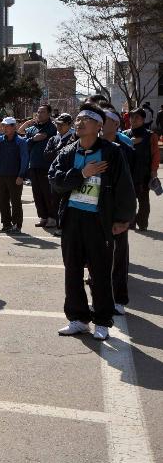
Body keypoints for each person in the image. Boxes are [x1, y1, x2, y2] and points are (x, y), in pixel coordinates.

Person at [49, 103, 136, 341]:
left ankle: (102, 320)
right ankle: (77, 318)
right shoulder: (68, 152)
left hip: (99, 221)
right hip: (72, 219)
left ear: (99, 125)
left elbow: (125, 189)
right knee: (72, 270)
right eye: (78, 118)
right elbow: (55, 181)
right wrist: (82, 174)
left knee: (99, 271)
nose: (79, 122)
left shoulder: (112, 152)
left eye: (86, 118)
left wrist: (123, 219)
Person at [101, 105, 135, 315]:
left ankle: (119, 298)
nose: (100, 123)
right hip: (95, 209)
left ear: (116, 123)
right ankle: (100, 297)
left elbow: (130, 186)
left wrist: (125, 217)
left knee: (119, 255)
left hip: (116, 211)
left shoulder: (125, 148)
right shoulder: (89, 145)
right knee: (96, 256)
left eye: (105, 119)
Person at [0, 117, 29, 233]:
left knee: (15, 202)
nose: (5, 128)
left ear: (14, 127)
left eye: (8, 125)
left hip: (15, 176)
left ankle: (17, 225)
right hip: (1, 175)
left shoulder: (21, 141)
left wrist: (21, 175)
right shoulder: (0, 139)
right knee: (2, 201)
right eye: (4, 125)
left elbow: (25, 159)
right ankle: (6, 224)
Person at [21, 105, 58, 228]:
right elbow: (26, 143)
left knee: (48, 193)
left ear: (49, 114)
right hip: (33, 164)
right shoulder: (32, 128)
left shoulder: (51, 127)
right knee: (37, 193)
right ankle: (43, 217)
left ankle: (52, 217)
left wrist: (32, 140)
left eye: (42, 112)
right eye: (38, 111)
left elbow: (42, 137)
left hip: (46, 165)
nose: (39, 114)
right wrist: (32, 139)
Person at [126, 108, 159, 231]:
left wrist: (154, 171)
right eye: (132, 117)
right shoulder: (125, 134)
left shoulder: (151, 135)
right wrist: (129, 142)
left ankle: (142, 222)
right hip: (128, 172)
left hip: (143, 173)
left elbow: (155, 154)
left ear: (143, 120)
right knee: (129, 199)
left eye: (137, 118)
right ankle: (131, 222)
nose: (133, 120)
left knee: (144, 200)